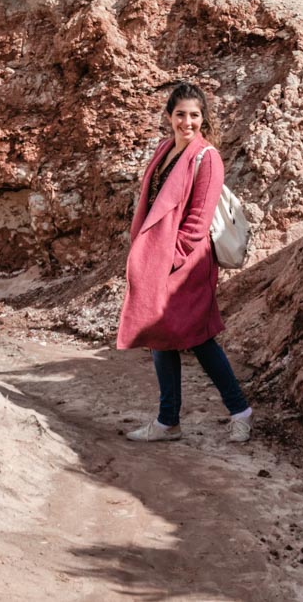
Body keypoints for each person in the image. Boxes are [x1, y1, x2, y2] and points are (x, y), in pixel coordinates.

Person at [116, 81, 252, 442]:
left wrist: (172, 258)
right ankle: (167, 421)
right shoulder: (164, 150)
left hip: (189, 262)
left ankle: (240, 411)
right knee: (160, 335)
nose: (187, 122)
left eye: (194, 115)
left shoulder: (208, 157)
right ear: (169, 116)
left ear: (203, 118)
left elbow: (198, 220)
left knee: (200, 338)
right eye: (180, 115)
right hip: (160, 259)